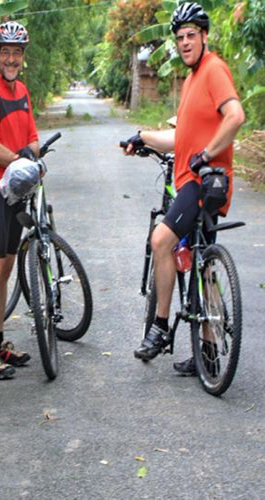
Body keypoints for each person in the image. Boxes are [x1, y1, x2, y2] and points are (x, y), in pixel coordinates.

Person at [122, 2, 245, 375]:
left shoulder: (213, 70)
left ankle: (159, 327)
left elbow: (236, 115)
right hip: (205, 182)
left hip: (201, 180)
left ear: (204, 36)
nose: (185, 42)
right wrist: (143, 138)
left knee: (161, 240)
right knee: (203, 263)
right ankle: (206, 355)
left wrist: (206, 154)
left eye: (192, 35)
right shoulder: (192, 80)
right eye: (180, 37)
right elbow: (180, 139)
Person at [0, 21, 39, 379]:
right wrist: (25, 161)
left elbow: (32, 138)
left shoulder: (23, 92)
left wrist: (30, 160)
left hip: (20, 191)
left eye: (16, 53)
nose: (11, 59)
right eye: (5, 52)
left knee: (8, 266)